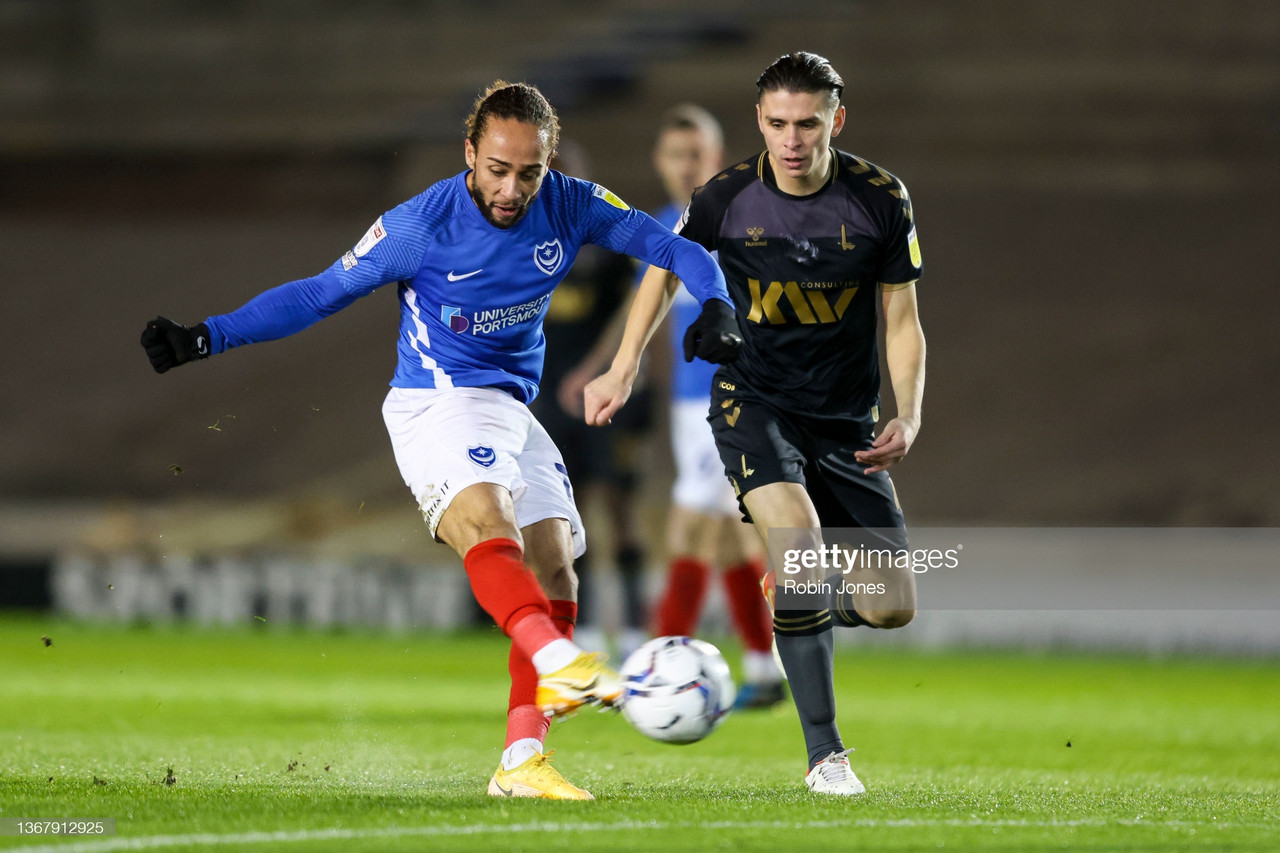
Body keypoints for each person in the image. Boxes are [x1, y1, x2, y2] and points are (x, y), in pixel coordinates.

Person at [139, 80, 741, 801]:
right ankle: (561, 659)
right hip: (436, 403)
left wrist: (718, 305)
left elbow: (676, 249)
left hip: (511, 410)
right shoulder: (419, 226)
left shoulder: (575, 202)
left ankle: (522, 760)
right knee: (490, 525)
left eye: (529, 172)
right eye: (497, 168)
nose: (513, 188)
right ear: (470, 152)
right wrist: (208, 335)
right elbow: (318, 292)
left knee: (557, 570)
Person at [584, 52, 926, 795]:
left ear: (837, 119)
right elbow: (663, 266)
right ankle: (825, 755)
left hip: (845, 421)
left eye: (808, 123)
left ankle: (790, 599)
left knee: (891, 604)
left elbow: (901, 317)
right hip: (754, 402)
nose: (792, 140)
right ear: (760, 123)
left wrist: (909, 411)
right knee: (798, 548)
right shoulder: (728, 196)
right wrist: (623, 365)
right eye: (777, 124)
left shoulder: (879, 199)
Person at [564, 105, 783, 705]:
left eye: (699, 154)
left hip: (734, 398)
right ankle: (765, 670)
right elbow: (643, 307)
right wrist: (605, 367)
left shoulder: (746, 221)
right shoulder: (662, 226)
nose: (688, 165)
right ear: (660, 163)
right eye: (677, 155)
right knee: (738, 536)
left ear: (717, 157)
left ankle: (659, 671)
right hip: (691, 404)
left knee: (688, 524)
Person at [527, 138, 652, 656]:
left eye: (565, 171)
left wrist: (615, 371)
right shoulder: (519, 242)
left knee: (619, 506)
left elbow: (637, 308)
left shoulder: (606, 241)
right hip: (547, 400)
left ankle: (635, 628)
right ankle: (588, 630)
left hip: (604, 396)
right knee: (565, 516)